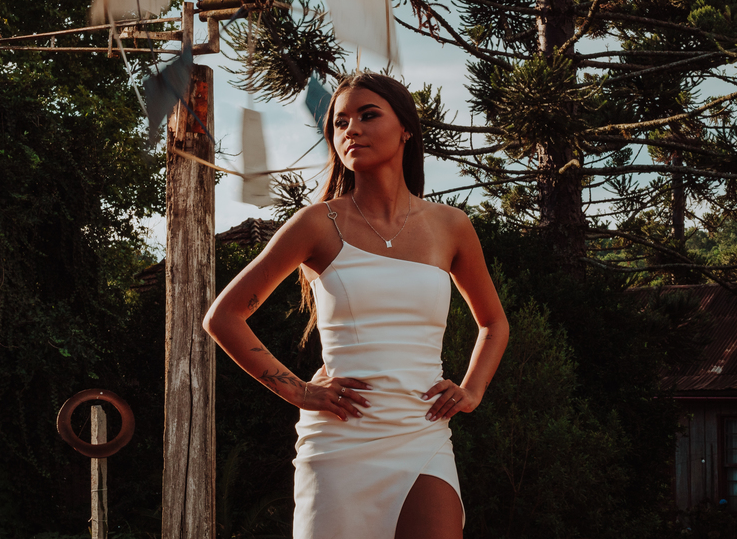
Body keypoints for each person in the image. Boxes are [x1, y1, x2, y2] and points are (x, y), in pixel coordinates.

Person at [203, 72, 510, 539]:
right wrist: (299, 392)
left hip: (422, 431)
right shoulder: (316, 224)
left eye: (368, 115)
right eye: (340, 122)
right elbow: (223, 316)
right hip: (340, 439)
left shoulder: (451, 226)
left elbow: (493, 323)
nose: (352, 130)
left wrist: (472, 390)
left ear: (405, 129)